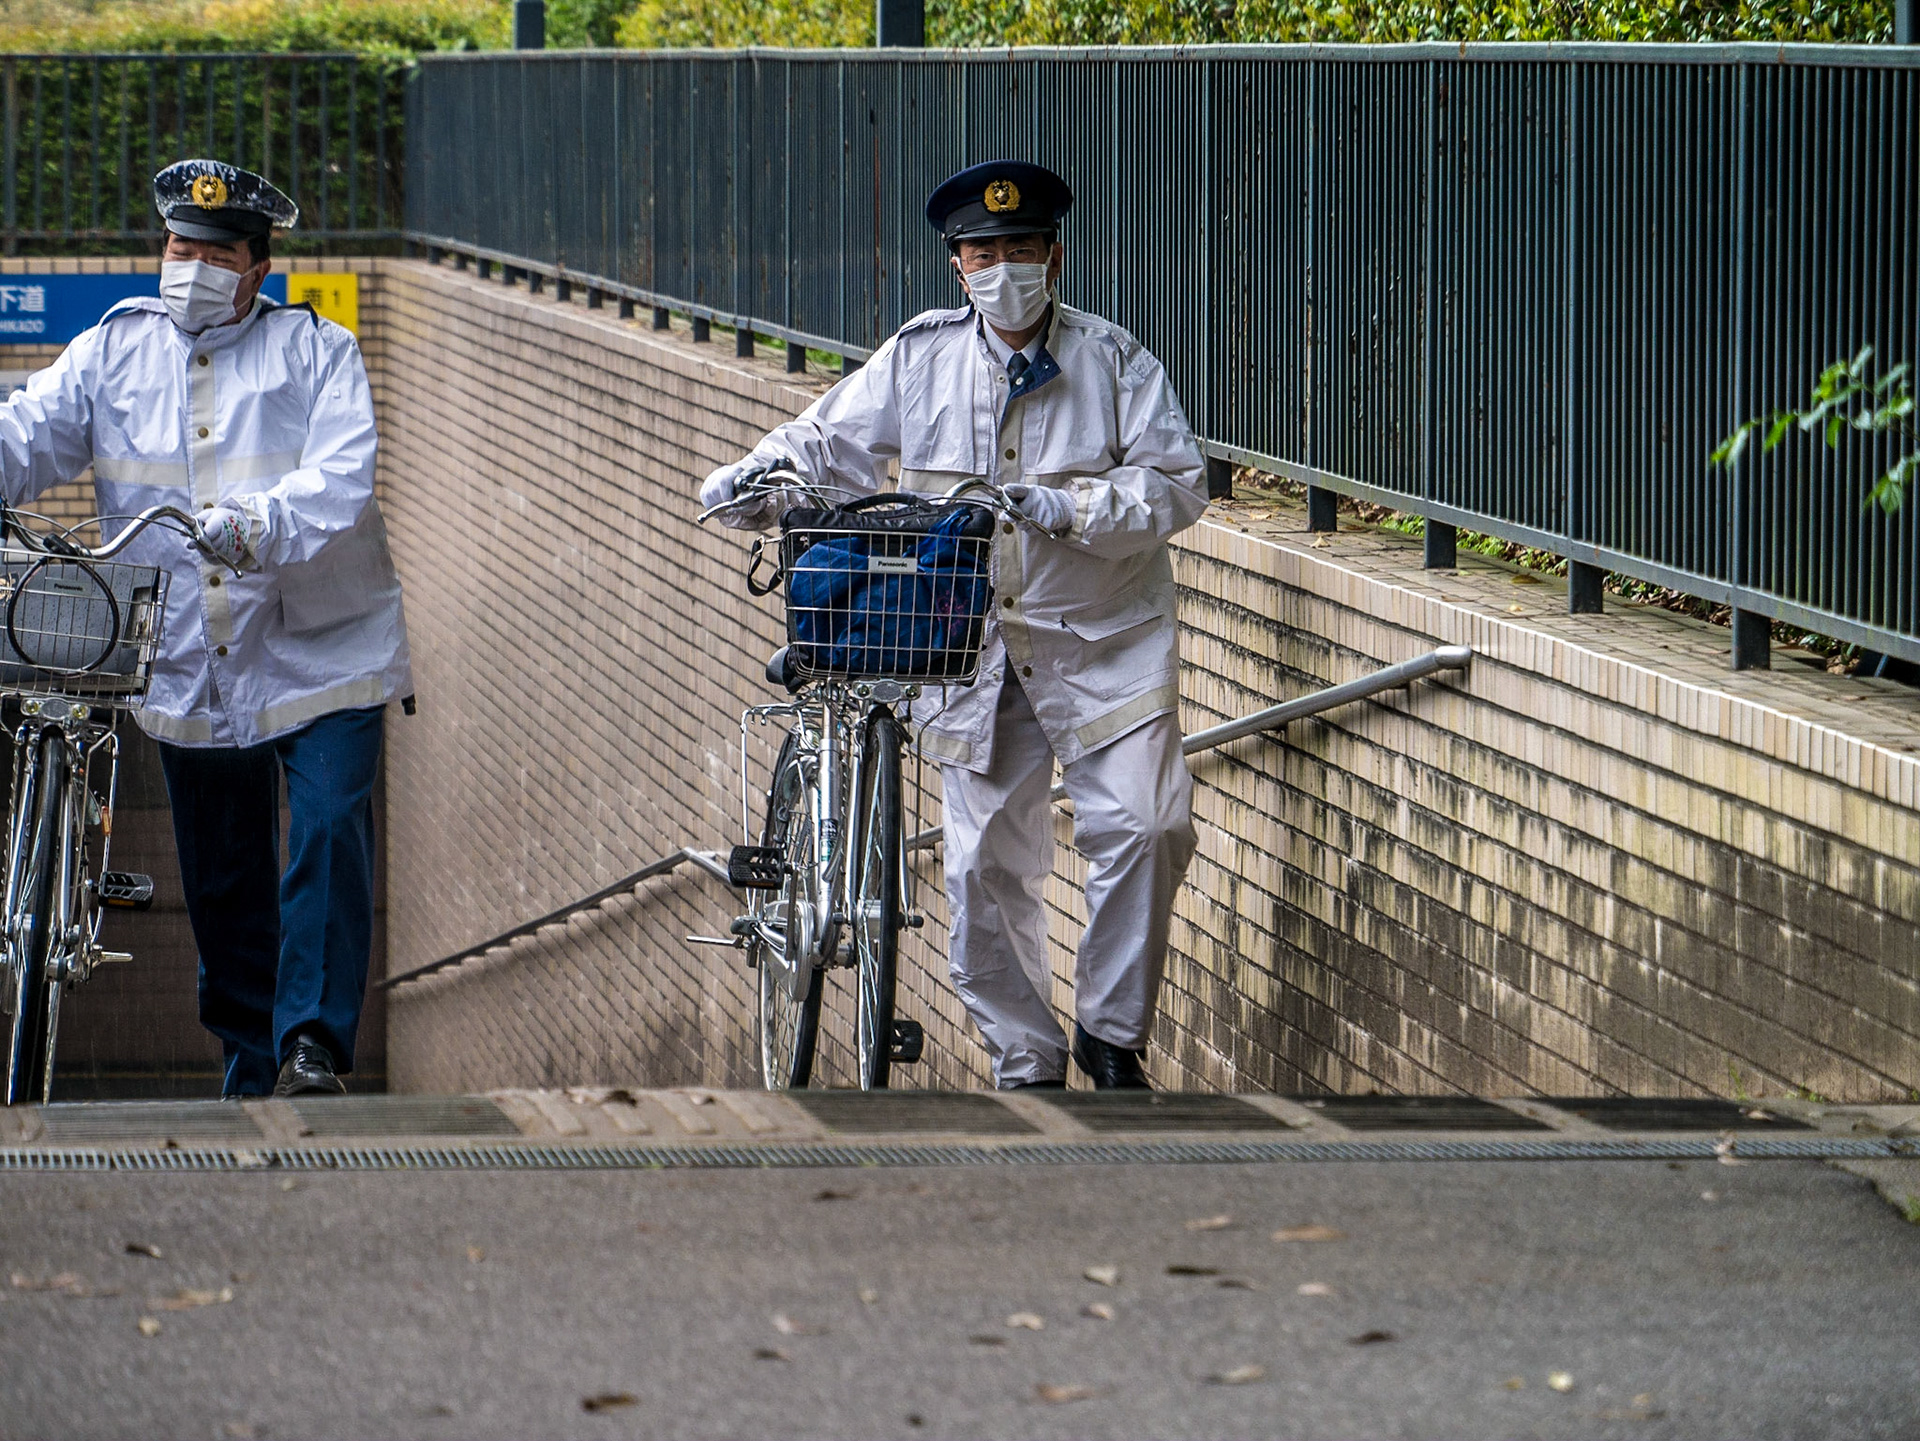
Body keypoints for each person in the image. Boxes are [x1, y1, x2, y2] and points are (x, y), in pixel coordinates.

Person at [702, 160, 1207, 1089]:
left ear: (1054, 259)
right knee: (982, 872)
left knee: (1146, 824)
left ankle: (1111, 1033)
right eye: (984, 251)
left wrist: (1074, 507)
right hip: (968, 649)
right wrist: (756, 475)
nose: (1003, 266)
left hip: (1103, 643)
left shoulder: (1114, 360)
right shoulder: (920, 356)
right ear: (958, 267)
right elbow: (828, 438)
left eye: (1022, 248)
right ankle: (1026, 1056)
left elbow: (1177, 486)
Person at [0, 159, 412, 1098]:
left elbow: (343, 477)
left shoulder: (319, 351)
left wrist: (257, 521)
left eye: (215, 252)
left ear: (257, 268)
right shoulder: (112, 352)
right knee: (225, 887)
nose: (191, 263)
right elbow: (28, 432)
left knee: (328, 828)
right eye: (180, 246)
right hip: (190, 663)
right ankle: (249, 1063)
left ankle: (310, 1049)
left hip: (325, 648)